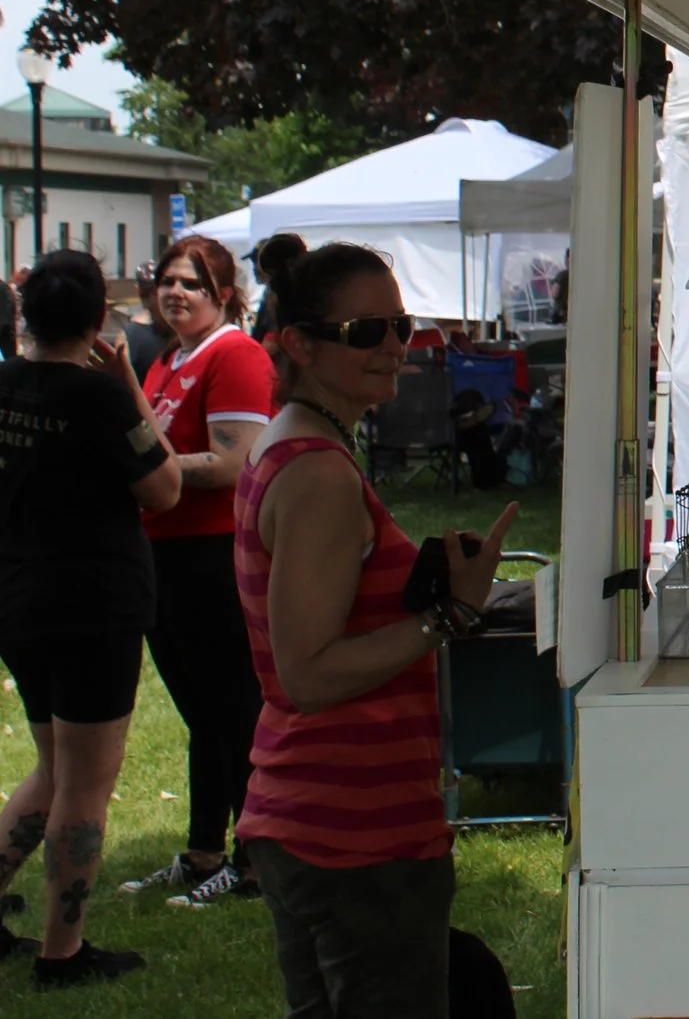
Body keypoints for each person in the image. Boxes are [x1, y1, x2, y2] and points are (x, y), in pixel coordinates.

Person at [237, 239, 516, 1019]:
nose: (394, 346)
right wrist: (449, 613)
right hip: (350, 831)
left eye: (401, 324)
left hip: (316, 817)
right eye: (366, 331)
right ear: (298, 342)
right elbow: (309, 672)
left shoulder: (298, 441)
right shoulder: (318, 471)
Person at [0, 250, 180, 987]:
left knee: (52, 763)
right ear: (97, 318)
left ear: (26, 312)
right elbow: (165, 487)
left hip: (17, 599)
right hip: (92, 608)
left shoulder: (3, 384)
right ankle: (62, 950)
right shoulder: (99, 399)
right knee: (85, 784)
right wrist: (130, 388)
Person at [121, 234, 276, 910]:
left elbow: (235, 461)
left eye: (192, 281)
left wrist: (147, 472)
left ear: (222, 291)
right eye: (168, 280)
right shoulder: (171, 358)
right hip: (164, 550)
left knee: (232, 705)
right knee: (200, 711)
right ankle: (203, 848)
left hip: (210, 550)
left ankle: (254, 858)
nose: (175, 291)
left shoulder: (234, 353)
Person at [250, 234, 307, 342]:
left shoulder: (290, 295)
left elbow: (275, 339)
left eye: (257, 261)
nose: (254, 268)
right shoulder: (270, 294)